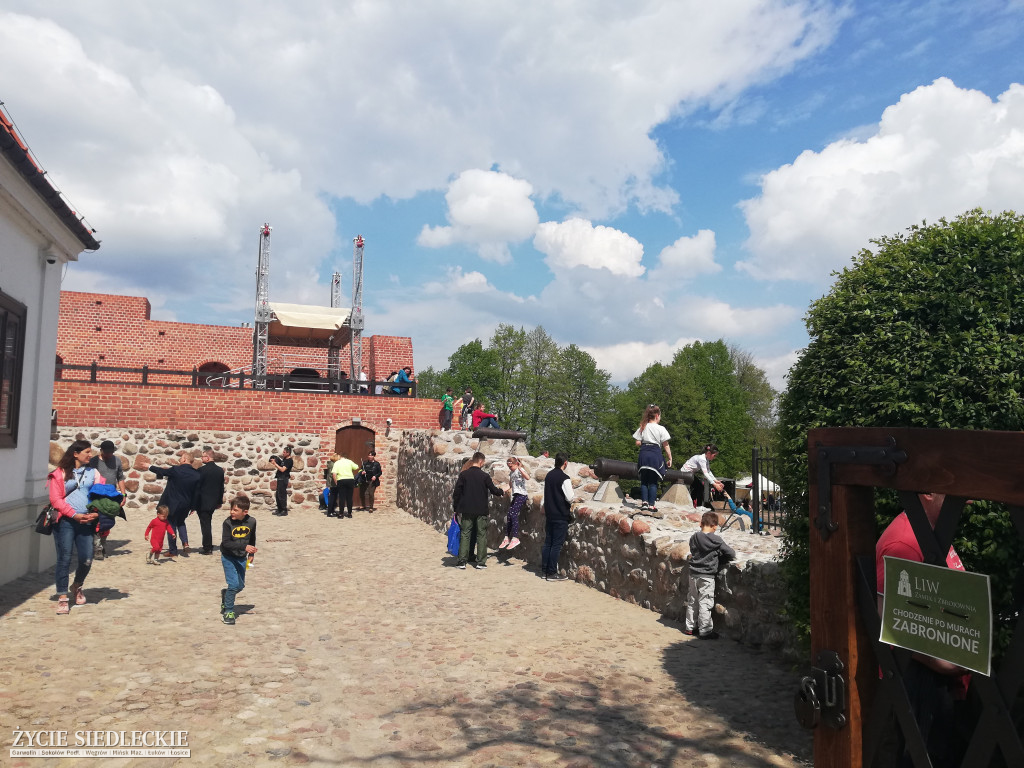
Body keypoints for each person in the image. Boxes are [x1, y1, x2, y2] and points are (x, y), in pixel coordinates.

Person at [875, 492, 970, 768]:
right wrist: (942, 663)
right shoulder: (904, 542)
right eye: (951, 487)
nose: (969, 500)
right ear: (927, 492)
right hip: (919, 687)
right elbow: (887, 617)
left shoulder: (931, 533)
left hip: (938, 686)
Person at [48, 440, 101, 615]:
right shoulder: (59, 473)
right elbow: (56, 500)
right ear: (76, 454)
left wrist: (96, 513)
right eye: (87, 452)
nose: (90, 455)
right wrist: (73, 514)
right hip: (65, 522)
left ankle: (77, 585)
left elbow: (101, 496)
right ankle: (63, 597)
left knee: (87, 559)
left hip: (86, 522)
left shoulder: (94, 473)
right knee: (64, 558)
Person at [684, 510, 736, 639]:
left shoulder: (694, 537)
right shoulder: (716, 540)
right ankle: (705, 630)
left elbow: (693, 551)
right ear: (715, 526)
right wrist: (720, 558)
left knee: (693, 601)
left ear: (701, 524)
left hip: (693, 573)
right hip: (707, 576)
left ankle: (690, 627)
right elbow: (731, 553)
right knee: (705, 603)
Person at [453, 451, 504, 569]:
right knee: (481, 535)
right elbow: (494, 490)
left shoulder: (464, 475)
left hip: (466, 509)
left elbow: (457, 492)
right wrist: (502, 491)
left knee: (465, 534)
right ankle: (481, 562)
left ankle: (462, 561)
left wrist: (456, 508)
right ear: (481, 461)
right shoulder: (484, 476)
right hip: (481, 510)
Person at [151, 451, 201, 556]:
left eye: (181, 458)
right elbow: (196, 493)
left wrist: (149, 466)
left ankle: (173, 550)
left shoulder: (176, 470)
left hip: (172, 503)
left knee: (171, 524)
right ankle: (185, 542)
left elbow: (162, 471)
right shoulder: (197, 475)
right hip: (186, 504)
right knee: (181, 522)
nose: (179, 459)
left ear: (185, 459)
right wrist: (193, 506)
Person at [220, 495, 257, 626]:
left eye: (235, 510)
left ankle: (226, 595)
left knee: (240, 586)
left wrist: (251, 553)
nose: (232, 512)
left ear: (245, 512)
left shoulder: (252, 522)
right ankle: (228, 611)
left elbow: (252, 538)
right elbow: (226, 543)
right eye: (231, 509)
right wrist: (244, 547)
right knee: (234, 585)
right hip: (228, 557)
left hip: (241, 558)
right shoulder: (227, 523)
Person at [88, 439, 127, 559]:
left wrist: (123, 495)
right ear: (101, 450)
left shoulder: (117, 461)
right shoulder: (93, 462)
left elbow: (120, 478)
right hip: (97, 496)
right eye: (107, 452)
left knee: (107, 522)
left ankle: (103, 544)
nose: (109, 454)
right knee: (97, 522)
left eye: (111, 452)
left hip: (111, 496)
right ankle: (97, 548)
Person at [541, 452, 575, 581]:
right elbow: (570, 497)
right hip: (560, 514)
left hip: (550, 514)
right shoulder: (564, 478)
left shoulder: (549, 475)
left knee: (548, 543)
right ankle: (552, 573)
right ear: (565, 463)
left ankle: (544, 570)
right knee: (556, 545)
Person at [632, 405, 672, 514]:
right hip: (655, 455)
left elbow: (637, 442)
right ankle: (651, 505)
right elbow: (665, 444)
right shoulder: (661, 428)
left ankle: (644, 503)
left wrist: (645, 442)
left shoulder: (643, 427)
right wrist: (669, 457)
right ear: (657, 416)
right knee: (653, 482)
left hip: (644, 454)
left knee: (644, 481)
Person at [196, 448, 226, 554]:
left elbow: (197, 487)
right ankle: (208, 545)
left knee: (205, 524)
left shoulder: (201, 470)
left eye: (203, 456)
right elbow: (221, 488)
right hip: (213, 502)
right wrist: (219, 501)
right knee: (207, 522)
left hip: (202, 502)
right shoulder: (220, 470)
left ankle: (207, 547)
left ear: (208, 457)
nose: (201, 458)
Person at [499, 456, 529, 550]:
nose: (510, 468)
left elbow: (527, 477)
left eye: (511, 466)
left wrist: (520, 468)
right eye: (509, 467)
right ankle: (507, 537)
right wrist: (501, 491)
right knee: (509, 515)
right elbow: (510, 485)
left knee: (513, 514)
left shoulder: (520, 470)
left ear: (516, 464)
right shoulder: (512, 473)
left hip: (522, 495)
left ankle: (515, 538)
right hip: (516, 495)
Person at [331, 453, 361, 518]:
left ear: (341, 456)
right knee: (349, 497)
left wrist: (336, 482)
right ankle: (349, 513)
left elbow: (334, 474)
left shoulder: (337, 463)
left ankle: (341, 514)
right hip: (350, 480)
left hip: (341, 480)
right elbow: (356, 467)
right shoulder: (349, 461)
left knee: (342, 497)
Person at [270, 446, 293, 516]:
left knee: (282, 495)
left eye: (284, 452)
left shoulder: (289, 461)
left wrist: (275, 464)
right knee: (278, 494)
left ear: (288, 453)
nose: (283, 453)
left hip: (284, 478)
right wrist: (276, 460)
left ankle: (284, 510)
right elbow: (281, 465)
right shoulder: (285, 459)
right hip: (280, 478)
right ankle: (279, 509)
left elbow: (282, 469)